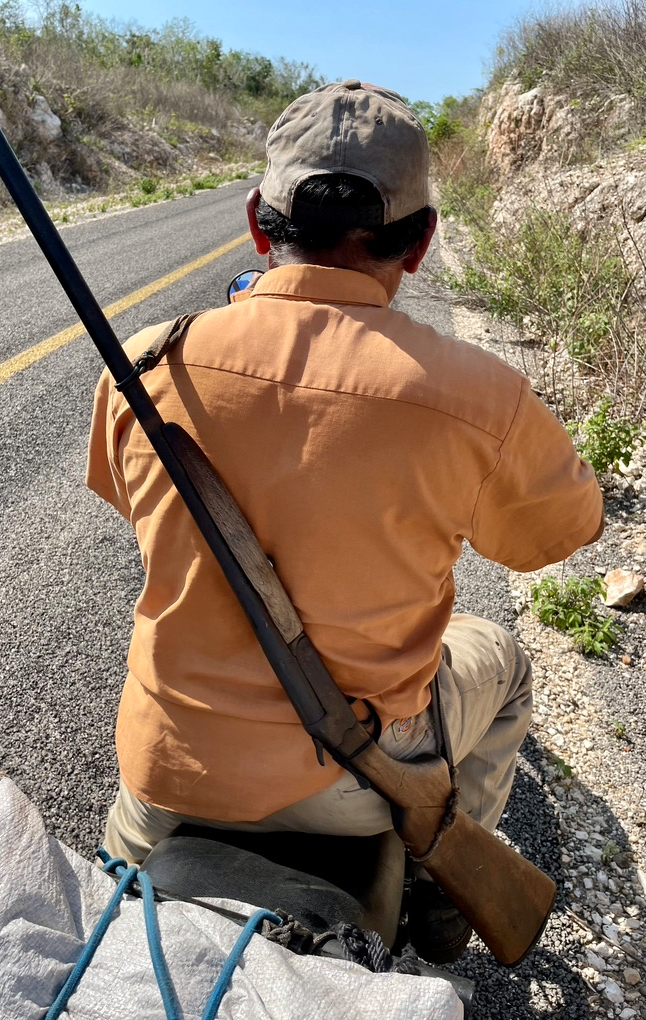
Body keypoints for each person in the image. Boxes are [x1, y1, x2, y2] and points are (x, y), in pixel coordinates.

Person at [86, 81, 604, 963]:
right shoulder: (479, 398)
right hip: (362, 781)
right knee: (506, 665)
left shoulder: (142, 364)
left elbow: (123, 496)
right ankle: (442, 891)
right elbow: (565, 531)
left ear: (259, 224)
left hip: (169, 772)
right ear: (423, 243)